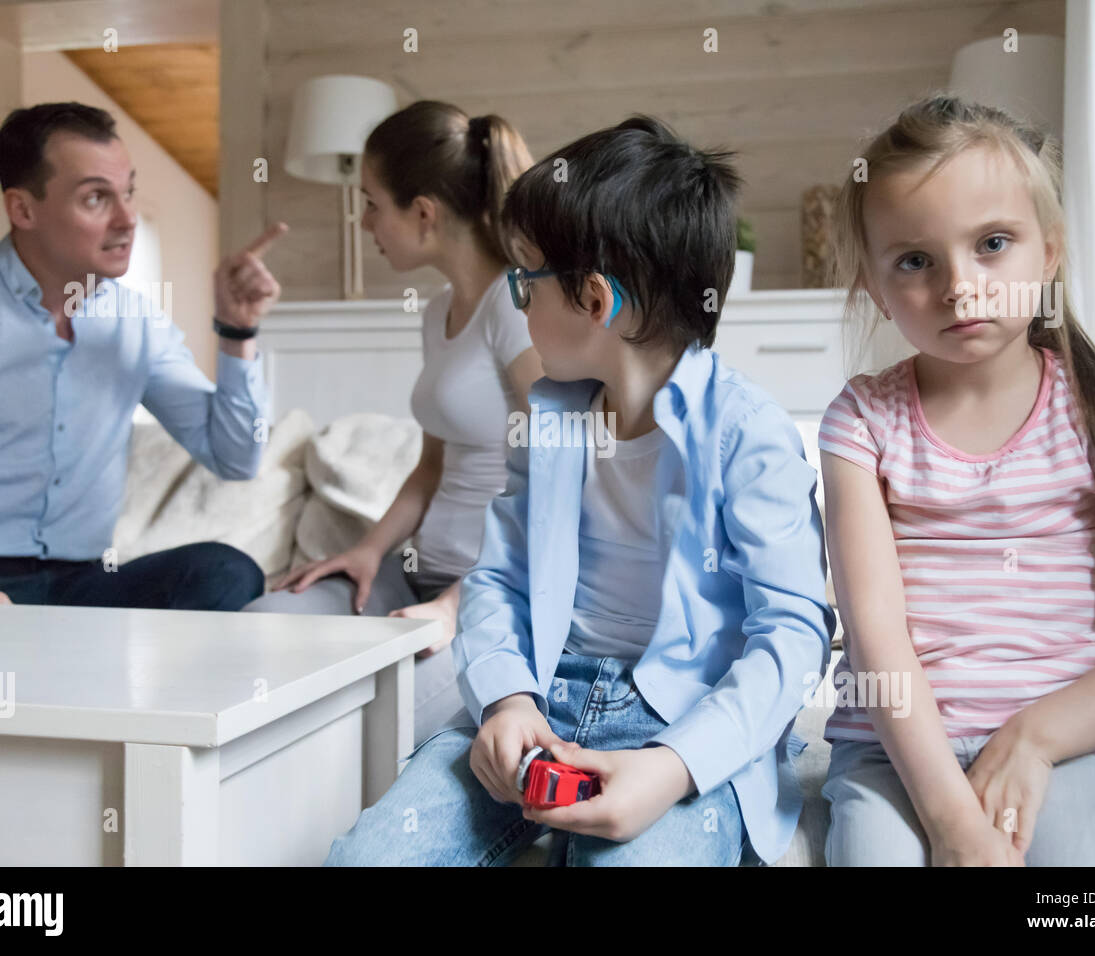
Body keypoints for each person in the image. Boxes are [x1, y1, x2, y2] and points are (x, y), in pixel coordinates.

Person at [324, 115, 835, 867]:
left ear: (595, 302)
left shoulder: (746, 434)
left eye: (526, 281)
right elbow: (497, 579)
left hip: (681, 729)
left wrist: (674, 766)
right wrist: (507, 699)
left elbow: (793, 634)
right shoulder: (548, 418)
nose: (518, 303)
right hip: (542, 702)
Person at [817, 95, 1095, 865]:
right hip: (894, 754)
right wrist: (952, 822)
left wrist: (1037, 736)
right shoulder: (859, 421)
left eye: (992, 243)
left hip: (1072, 743)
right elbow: (876, 638)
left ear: (1050, 252)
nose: (960, 286)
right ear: (872, 284)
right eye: (915, 260)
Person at [245, 102, 544, 744]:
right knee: (257, 628)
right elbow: (432, 467)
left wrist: (455, 608)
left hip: (489, 597)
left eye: (373, 203)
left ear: (424, 213)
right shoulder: (437, 312)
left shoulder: (515, 308)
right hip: (414, 573)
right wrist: (366, 551)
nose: (365, 221)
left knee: (371, 726)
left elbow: (560, 474)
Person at [0, 101, 284, 611]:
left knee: (223, 570)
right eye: (96, 198)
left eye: (128, 193)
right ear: (22, 209)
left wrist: (237, 329)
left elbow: (236, 458)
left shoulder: (137, 323)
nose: (127, 219)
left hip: (80, 586)